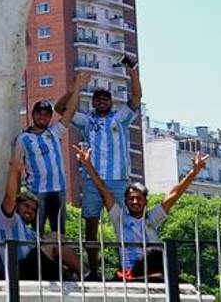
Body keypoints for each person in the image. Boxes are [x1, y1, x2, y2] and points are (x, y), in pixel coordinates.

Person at [74, 143, 208, 281]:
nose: (135, 202)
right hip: (130, 271)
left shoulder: (151, 218)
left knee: (160, 254)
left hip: (151, 269)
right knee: (154, 253)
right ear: (126, 202)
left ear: (145, 202)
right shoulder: (120, 219)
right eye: (131, 199)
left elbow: (174, 195)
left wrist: (194, 172)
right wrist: (88, 165)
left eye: (139, 199)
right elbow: (103, 190)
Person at [60, 58, 142, 281]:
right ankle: (94, 272)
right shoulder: (87, 120)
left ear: (111, 102)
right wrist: (75, 87)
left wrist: (132, 71)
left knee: (124, 227)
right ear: (93, 102)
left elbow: (136, 98)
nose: (102, 101)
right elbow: (60, 109)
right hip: (92, 180)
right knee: (90, 226)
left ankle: (130, 270)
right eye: (98, 98)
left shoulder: (120, 117)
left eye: (106, 98)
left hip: (117, 180)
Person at [0, 147, 82, 280]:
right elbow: (10, 197)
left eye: (34, 209)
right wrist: (14, 170)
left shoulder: (30, 231)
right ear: (17, 205)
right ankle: (87, 274)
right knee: (54, 238)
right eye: (26, 206)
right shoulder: (10, 221)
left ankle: (74, 278)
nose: (30, 210)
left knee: (57, 248)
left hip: (35, 267)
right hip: (18, 270)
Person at [14, 99, 68, 234]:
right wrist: (16, 194)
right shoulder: (23, 138)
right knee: (36, 231)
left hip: (58, 189)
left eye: (46, 114)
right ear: (32, 115)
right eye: (39, 113)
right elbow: (16, 166)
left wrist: (77, 87)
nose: (42, 117)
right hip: (36, 192)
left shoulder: (55, 131)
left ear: (50, 117)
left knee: (59, 233)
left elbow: (70, 113)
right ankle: (35, 254)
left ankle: (58, 255)